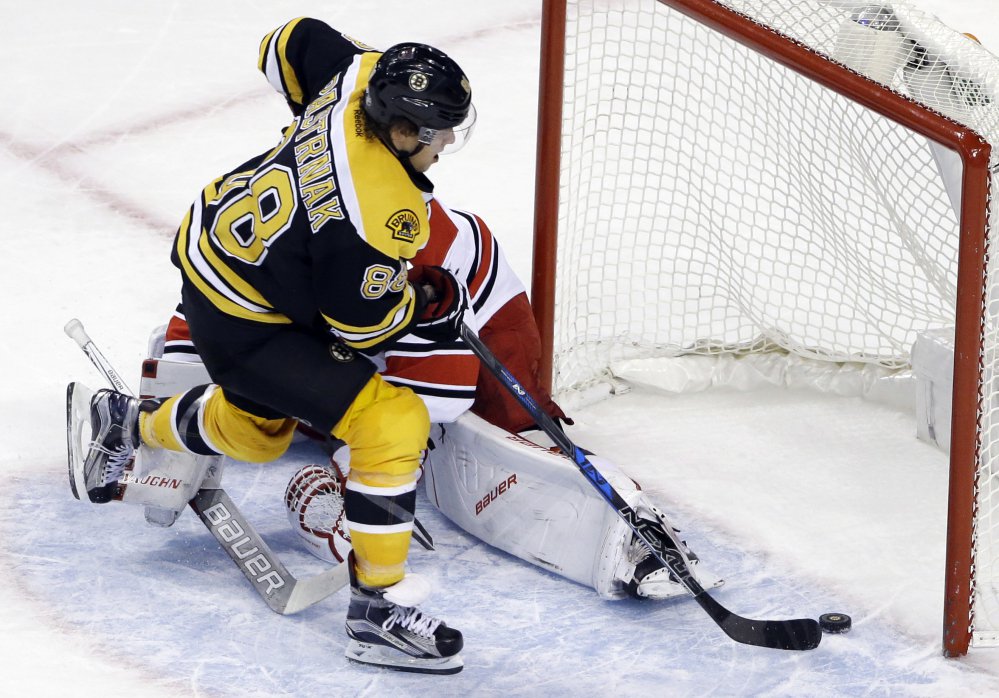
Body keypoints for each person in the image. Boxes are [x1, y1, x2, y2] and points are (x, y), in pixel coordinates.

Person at [70, 17, 477, 675]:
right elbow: (363, 330)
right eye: (438, 133)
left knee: (260, 433)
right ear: (401, 132)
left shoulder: (357, 76)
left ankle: (129, 421)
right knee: (391, 422)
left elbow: (288, 40)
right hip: (247, 319)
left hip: (222, 246)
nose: (449, 140)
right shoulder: (378, 211)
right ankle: (376, 611)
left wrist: (308, 135)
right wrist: (424, 302)